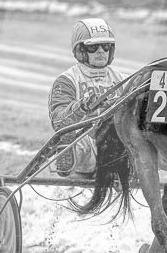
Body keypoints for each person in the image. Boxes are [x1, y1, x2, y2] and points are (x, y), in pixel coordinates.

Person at [49, 17, 122, 178]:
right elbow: (58, 121)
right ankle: (66, 159)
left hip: (115, 143)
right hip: (83, 143)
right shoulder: (67, 80)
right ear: (81, 50)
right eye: (93, 47)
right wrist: (82, 107)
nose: (101, 51)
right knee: (76, 137)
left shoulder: (122, 79)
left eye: (106, 46)